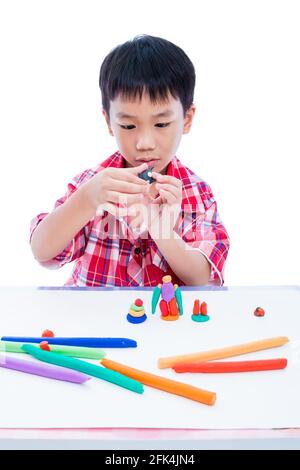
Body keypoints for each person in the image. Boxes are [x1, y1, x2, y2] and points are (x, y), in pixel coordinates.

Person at [30, 34, 230, 287]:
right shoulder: (91, 184)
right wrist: (87, 200)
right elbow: (42, 250)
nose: (144, 142)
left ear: (187, 119)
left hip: (164, 323)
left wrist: (161, 230)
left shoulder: (196, 193)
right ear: (109, 122)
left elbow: (202, 277)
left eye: (161, 124)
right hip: (93, 320)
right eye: (128, 125)